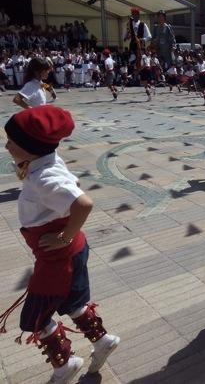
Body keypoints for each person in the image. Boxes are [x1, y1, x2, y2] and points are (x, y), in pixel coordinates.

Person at [0, 105, 120, 383]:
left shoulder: (44, 177)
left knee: (34, 318)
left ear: (30, 148)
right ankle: (102, 341)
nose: (6, 146)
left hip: (58, 259)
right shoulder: (46, 162)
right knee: (73, 301)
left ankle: (64, 365)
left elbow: (83, 203)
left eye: (11, 142)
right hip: (73, 250)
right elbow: (74, 189)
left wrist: (64, 235)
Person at [123, 7, 151, 73]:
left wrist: (142, 39)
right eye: (133, 14)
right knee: (132, 62)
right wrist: (127, 36)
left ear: (139, 15)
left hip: (141, 47)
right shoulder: (128, 24)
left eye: (136, 14)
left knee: (142, 63)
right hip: (133, 47)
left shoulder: (143, 24)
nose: (135, 16)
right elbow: (124, 37)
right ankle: (133, 77)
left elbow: (149, 36)